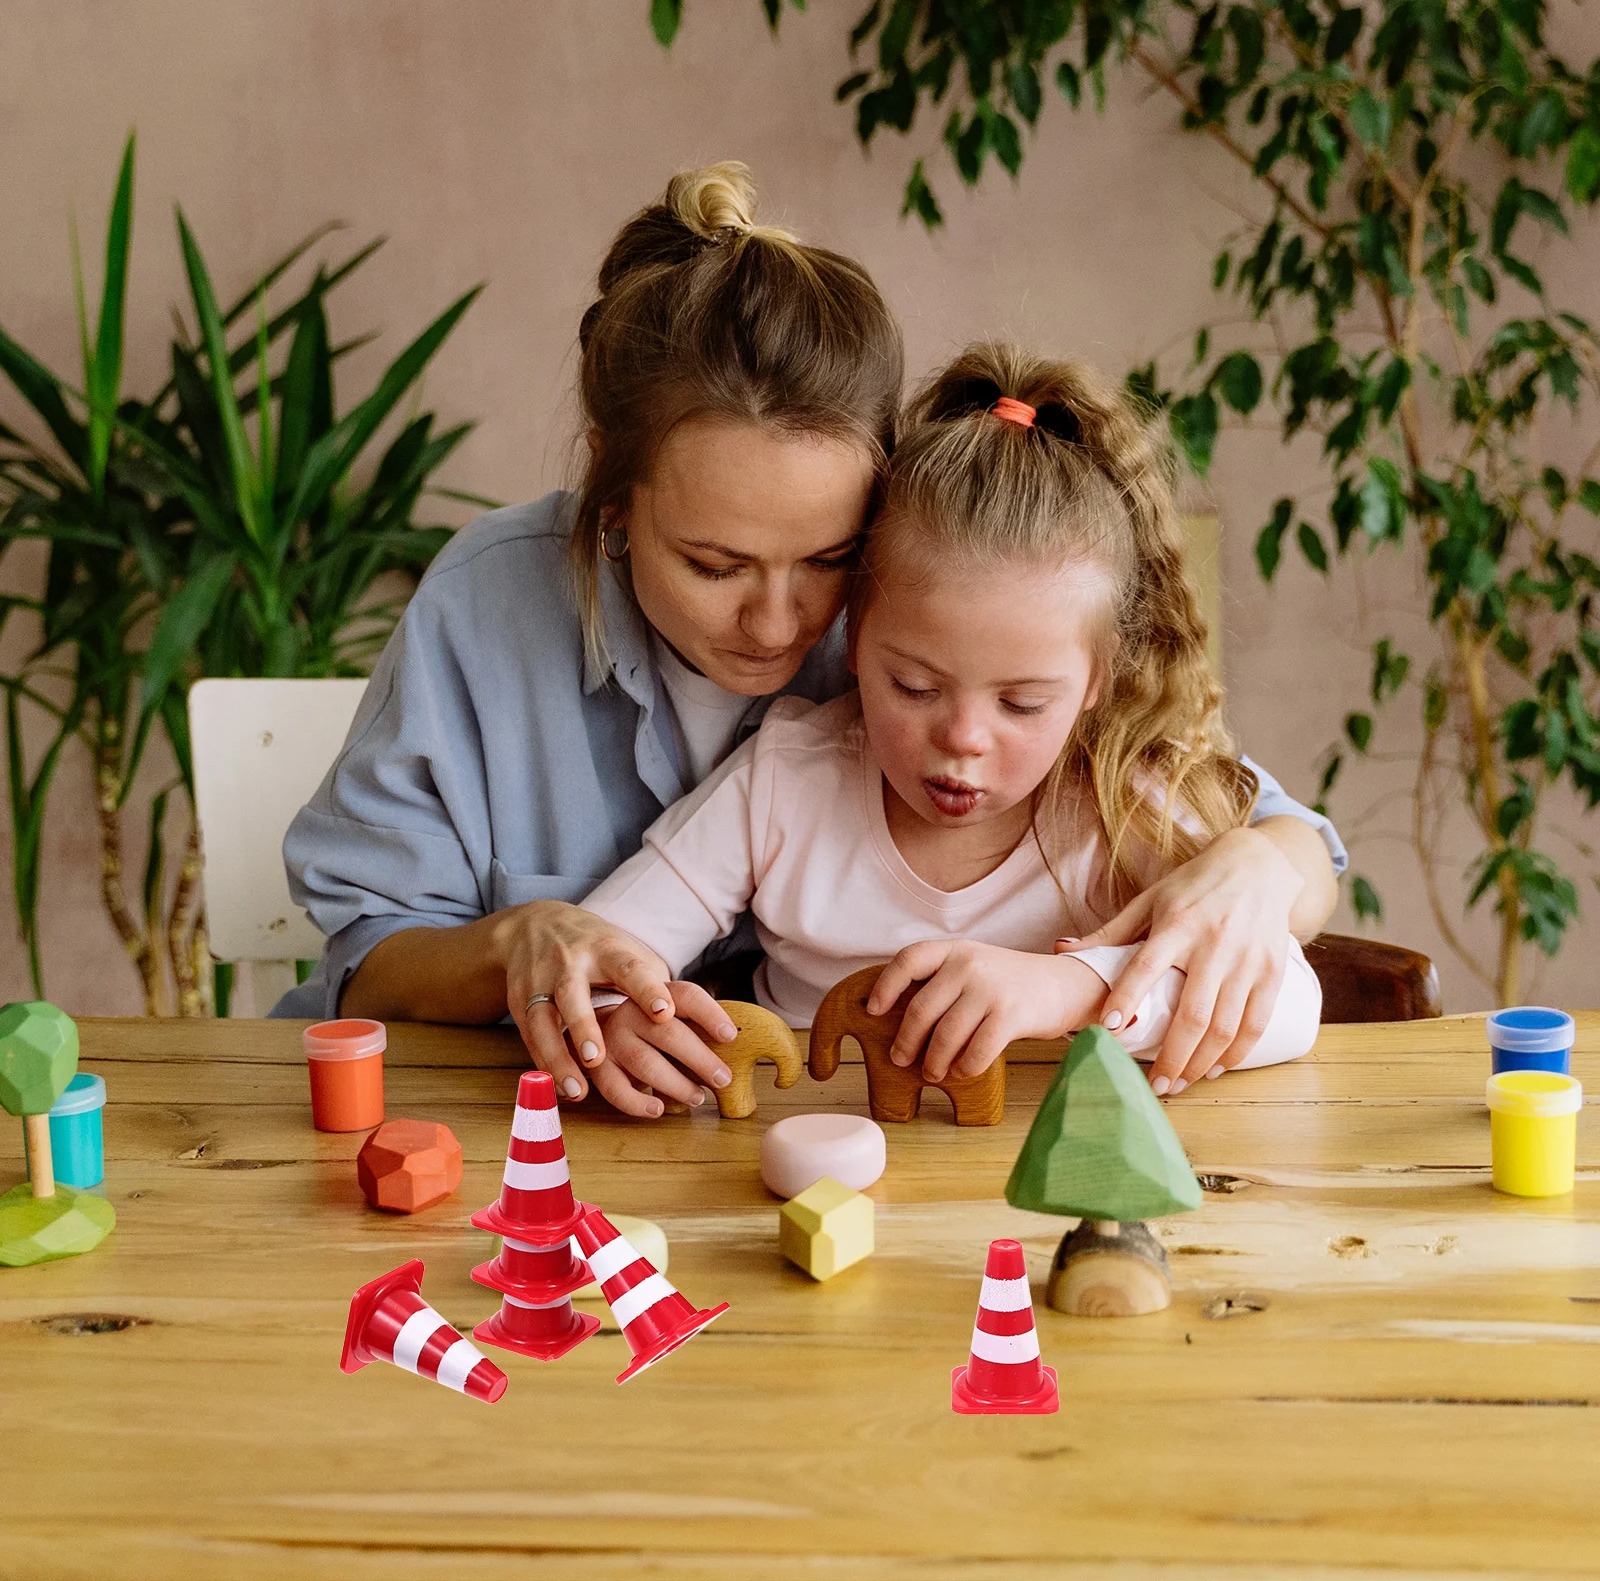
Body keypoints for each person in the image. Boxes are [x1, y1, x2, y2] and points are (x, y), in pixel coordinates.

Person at [277, 164, 1346, 1116]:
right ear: (613, 487)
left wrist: (1251, 869)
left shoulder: (931, 594)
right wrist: (532, 951)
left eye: (828, 560)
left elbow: (1272, 840)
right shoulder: (492, 608)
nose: (780, 623)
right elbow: (371, 962)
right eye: (714, 563)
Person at [578, 345, 1332, 1112]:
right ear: (854, 635)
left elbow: (1292, 1009)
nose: (964, 737)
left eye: (1023, 704)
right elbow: (600, 952)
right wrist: (617, 1015)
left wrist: (1065, 990)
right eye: (914, 686)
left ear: (1096, 684)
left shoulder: (1121, 800)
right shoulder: (785, 779)